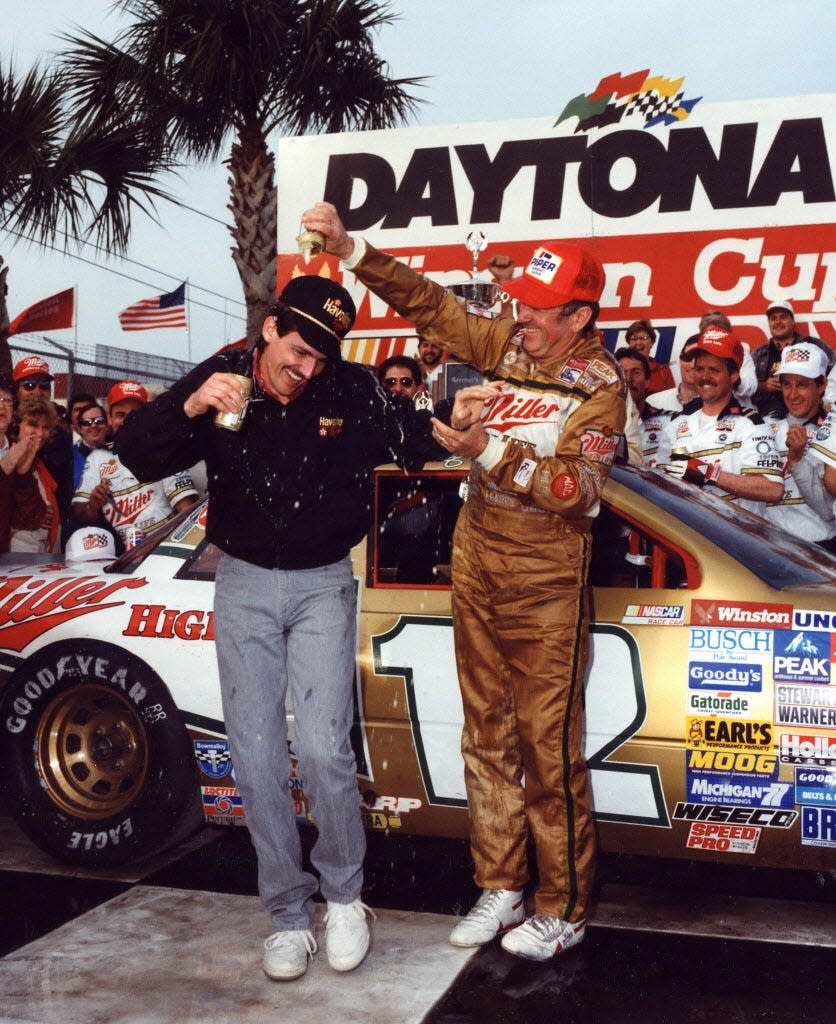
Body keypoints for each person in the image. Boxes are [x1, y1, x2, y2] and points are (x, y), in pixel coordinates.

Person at [301, 201, 627, 962]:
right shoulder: (508, 338)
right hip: (478, 561)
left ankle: (564, 907)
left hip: (549, 577)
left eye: (542, 311)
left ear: (581, 315)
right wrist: (354, 251)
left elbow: (580, 492)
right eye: (520, 305)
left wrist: (487, 452)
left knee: (547, 749)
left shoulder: (603, 385)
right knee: (485, 736)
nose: (523, 320)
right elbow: (432, 305)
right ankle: (501, 884)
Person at [114, 275, 439, 982]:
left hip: (324, 582)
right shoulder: (223, 374)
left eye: (322, 357)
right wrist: (195, 404)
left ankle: (346, 898)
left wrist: (462, 424)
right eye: (298, 351)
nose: (307, 369)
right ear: (268, 329)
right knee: (255, 758)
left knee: (324, 753)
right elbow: (136, 452)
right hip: (244, 583)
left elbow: (418, 438)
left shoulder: (350, 388)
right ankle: (288, 915)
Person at [656, 327, 784, 516]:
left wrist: (709, 473)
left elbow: (773, 489)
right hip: (685, 537)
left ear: (733, 376)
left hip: (734, 539)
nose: (705, 377)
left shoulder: (751, 425)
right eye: (700, 369)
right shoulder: (675, 424)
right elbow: (660, 485)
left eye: (714, 370)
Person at [73, 381, 198, 547]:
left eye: (135, 413)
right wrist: (93, 505)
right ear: (110, 419)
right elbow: (81, 512)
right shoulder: (98, 458)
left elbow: (188, 512)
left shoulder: (164, 450)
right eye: (121, 415)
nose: (128, 420)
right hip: (130, 556)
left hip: (167, 548)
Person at [763, 344, 836, 549]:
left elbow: (828, 511)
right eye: (787, 385)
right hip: (769, 544)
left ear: (821, 385)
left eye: (802, 384)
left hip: (821, 544)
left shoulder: (832, 431)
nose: (793, 394)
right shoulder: (764, 425)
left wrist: (796, 460)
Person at [13, 356, 74, 544]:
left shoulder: (63, 437)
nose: (37, 391)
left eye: (44, 385)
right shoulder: (5, 432)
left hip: (53, 531)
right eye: (29, 385)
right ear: (16, 390)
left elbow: (64, 490)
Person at [752, 301, 834, 416]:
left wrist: (828, 399)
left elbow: (833, 372)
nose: (778, 322)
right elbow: (742, 388)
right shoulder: (758, 354)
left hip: (810, 417)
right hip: (767, 417)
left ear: (793, 321)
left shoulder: (812, 345)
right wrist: (764, 386)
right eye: (773, 318)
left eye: (783, 317)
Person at [9, 395, 61, 553]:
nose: (40, 433)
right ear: (16, 425)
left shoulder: (39, 463)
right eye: (32, 425)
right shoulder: (7, 458)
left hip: (43, 548)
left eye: (45, 427)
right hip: (17, 550)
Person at [0, 378, 46, 551]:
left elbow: (30, 520)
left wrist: (23, 476)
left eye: (7, 400)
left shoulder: (17, 451)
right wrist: (3, 470)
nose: (2, 405)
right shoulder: (12, 455)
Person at [614, 347, 670, 465]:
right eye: (622, 373)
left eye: (636, 372)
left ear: (647, 381)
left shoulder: (665, 422)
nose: (628, 379)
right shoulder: (600, 419)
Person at [649, 334, 701, 412]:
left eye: (700, 360)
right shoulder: (653, 402)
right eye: (688, 357)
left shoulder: (720, 406)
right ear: (680, 360)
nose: (692, 365)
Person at [623, 320, 674, 394]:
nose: (638, 343)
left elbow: (671, 400)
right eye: (634, 339)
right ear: (629, 343)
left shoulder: (663, 371)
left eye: (643, 338)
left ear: (652, 342)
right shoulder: (619, 369)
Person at [72, 401, 108, 489]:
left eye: (99, 421)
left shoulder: (118, 452)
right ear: (80, 429)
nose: (94, 425)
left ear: (107, 425)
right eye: (87, 422)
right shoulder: (68, 456)